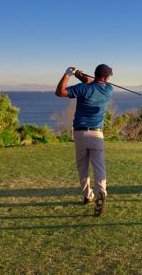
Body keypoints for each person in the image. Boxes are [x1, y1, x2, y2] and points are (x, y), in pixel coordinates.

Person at [55, 64, 114, 216]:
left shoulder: (82, 88)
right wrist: (80, 75)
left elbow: (59, 92)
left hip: (80, 134)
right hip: (97, 134)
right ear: (106, 78)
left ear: (95, 75)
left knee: (82, 167)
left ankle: (88, 196)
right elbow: (93, 82)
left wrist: (68, 74)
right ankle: (102, 192)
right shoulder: (108, 90)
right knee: (99, 167)